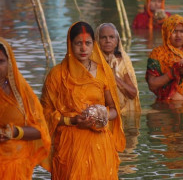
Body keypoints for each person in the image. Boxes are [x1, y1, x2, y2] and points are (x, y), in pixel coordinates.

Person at [40, 21, 126, 180]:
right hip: (70, 146)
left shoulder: (103, 72)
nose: (83, 48)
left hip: (99, 144)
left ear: (93, 44)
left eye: (87, 43)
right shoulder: (57, 75)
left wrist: (101, 113)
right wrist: (72, 120)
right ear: (70, 44)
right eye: (78, 43)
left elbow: (115, 110)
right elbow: (44, 114)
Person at [0, 38, 50, 180]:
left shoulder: (22, 93)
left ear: (10, 63)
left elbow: (41, 130)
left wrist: (14, 132)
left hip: (17, 168)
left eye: (1, 61)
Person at [146, 14, 183, 100]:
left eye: (182, 31)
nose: (178, 35)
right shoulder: (158, 54)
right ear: (167, 32)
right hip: (171, 104)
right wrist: (174, 72)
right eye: (174, 31)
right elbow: (152, 84)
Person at [95, 23, 141, 117]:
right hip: (100, 114)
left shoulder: (122, 62)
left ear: (116, 41)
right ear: (97, 40)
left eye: (111, 37)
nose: (108, 40)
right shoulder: (92, 62)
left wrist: (113, 76)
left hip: (123, 113)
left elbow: (133, 93)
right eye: (103, 37)